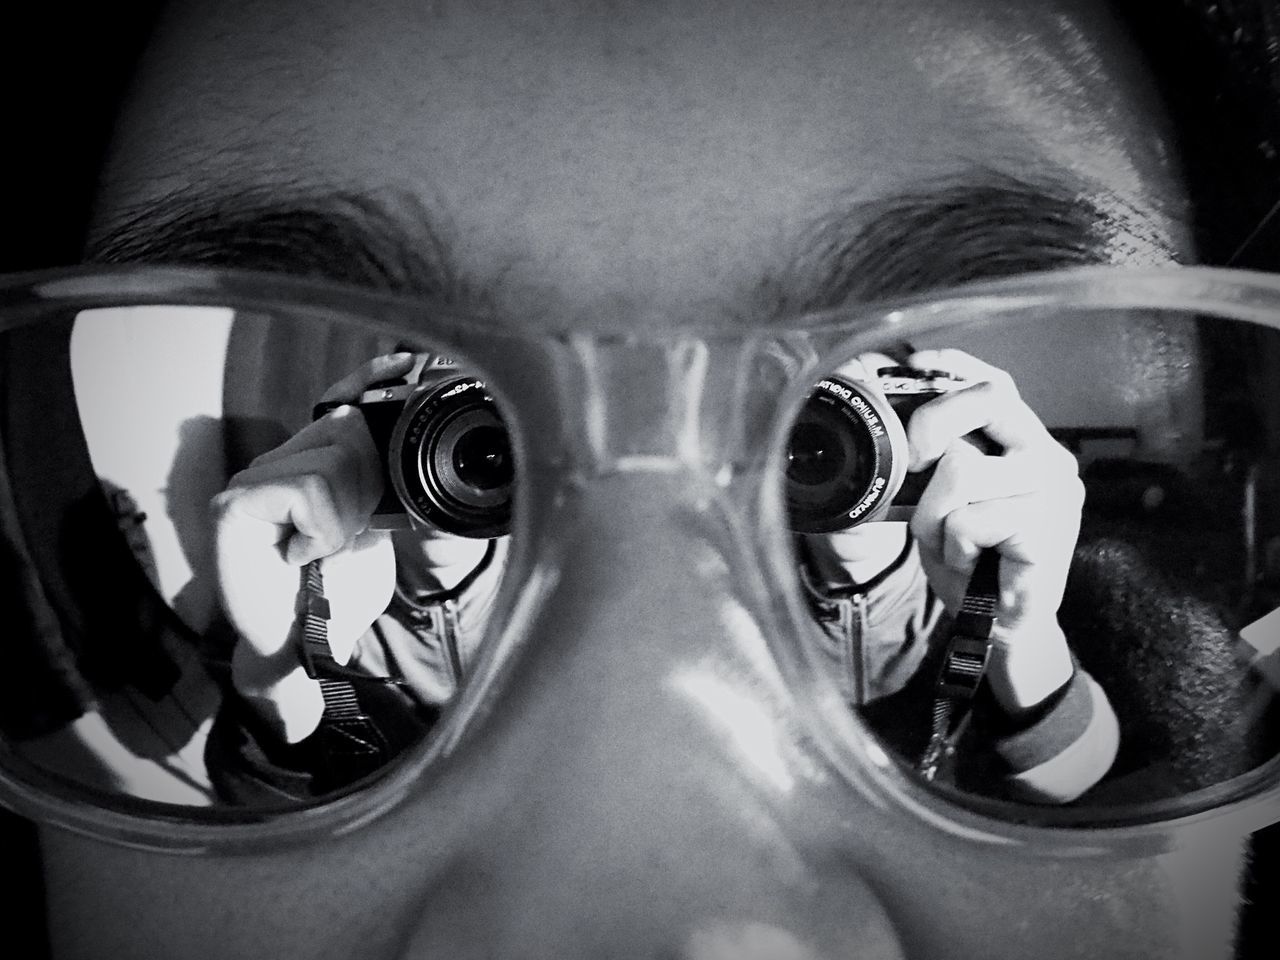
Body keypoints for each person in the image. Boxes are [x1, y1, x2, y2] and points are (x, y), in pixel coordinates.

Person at [15, 0, 1280, 958]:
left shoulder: (975, 590)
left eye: (813, 442)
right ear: (385, 447)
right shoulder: (368, 614)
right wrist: (282, 673)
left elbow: (1111, 777)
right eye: (487, 455)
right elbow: (268, 775)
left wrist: (1025, 651)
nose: (677, 927)